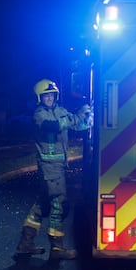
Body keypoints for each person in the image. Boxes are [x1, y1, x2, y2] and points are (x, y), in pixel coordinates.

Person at [16, 78, 91, 260]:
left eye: (51, 95)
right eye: (45, 96)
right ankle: (57, 249)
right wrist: (75, 117)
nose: (49, 98)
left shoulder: (60, 110)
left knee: (43, 204)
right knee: (59, 205)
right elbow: (54, 126)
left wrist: (87, 116)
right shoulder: (39, 115)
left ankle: (26, 243)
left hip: (57, 166)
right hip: (49, 167)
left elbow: (76, 124)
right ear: (39, 98)